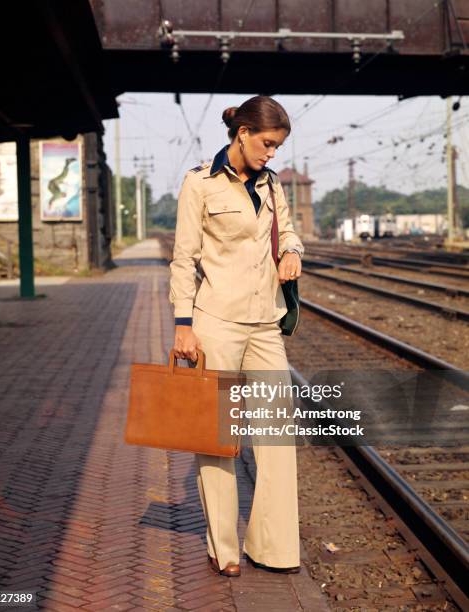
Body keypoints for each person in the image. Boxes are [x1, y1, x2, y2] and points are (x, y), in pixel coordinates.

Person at [169, 95, 304, 577]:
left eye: (278, 147)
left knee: (277, 437)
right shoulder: (199, 184)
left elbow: (287, 231)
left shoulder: (271, 185)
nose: (272, 154)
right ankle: (222, 546)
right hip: (216, 323)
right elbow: (183, 259)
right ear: (242, 133)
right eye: (268, 143)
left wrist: (292, 251)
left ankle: (273, 547)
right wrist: (183, 324)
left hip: (266, 324)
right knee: (217, 437)